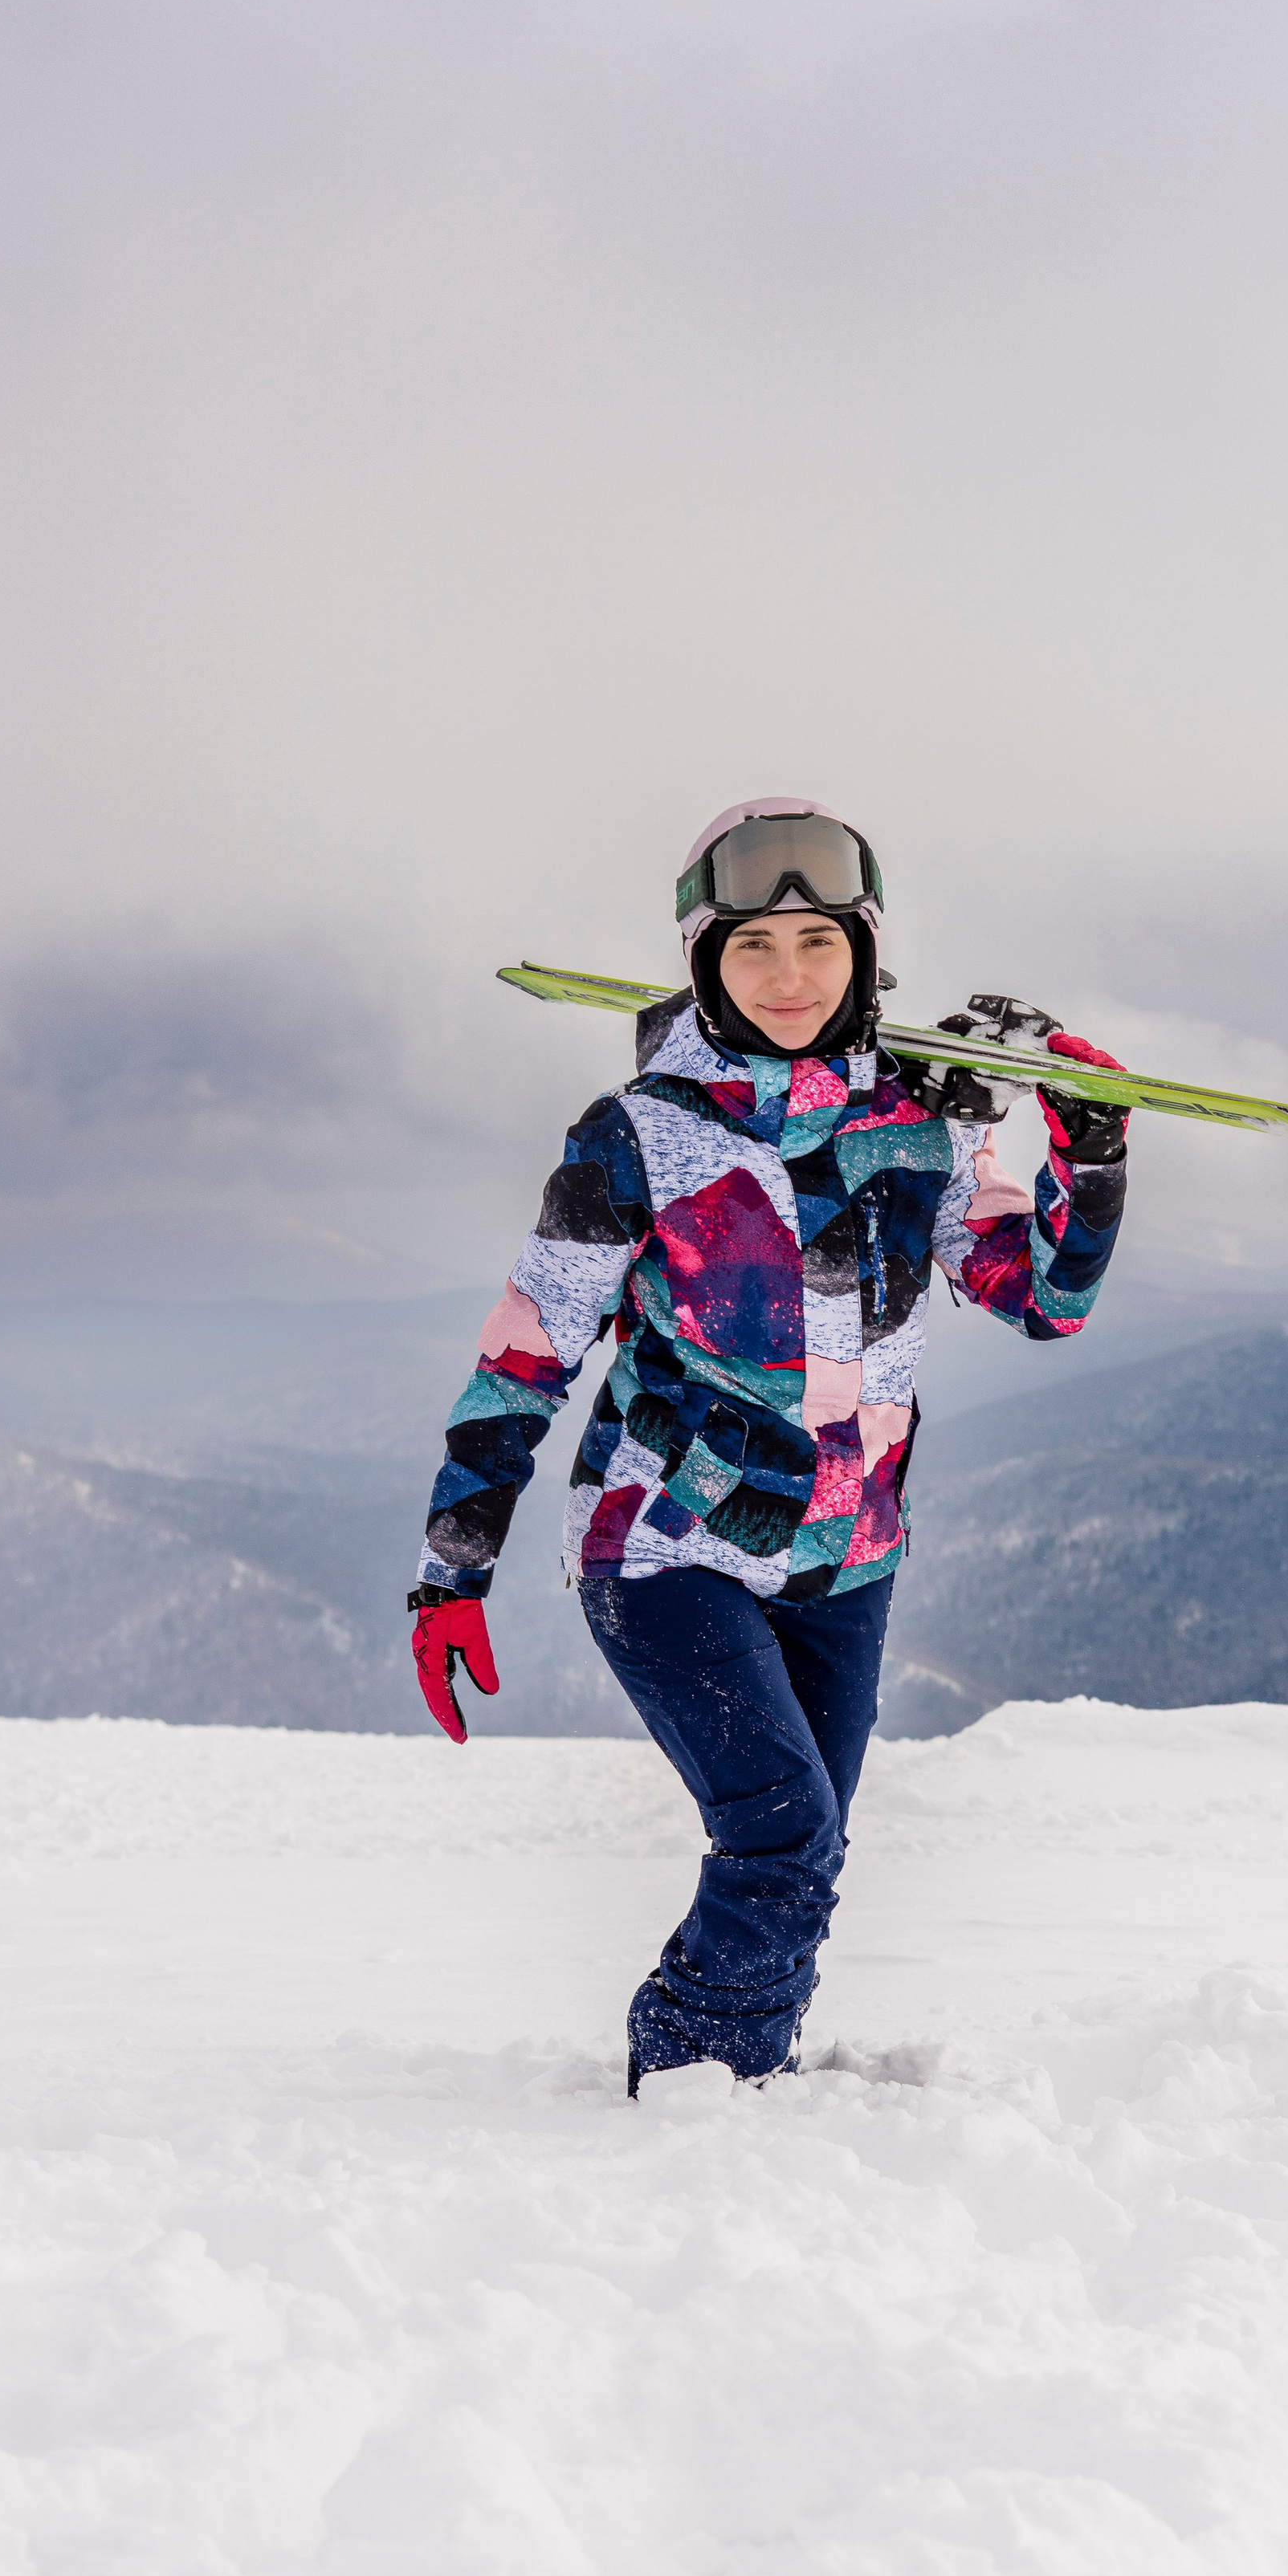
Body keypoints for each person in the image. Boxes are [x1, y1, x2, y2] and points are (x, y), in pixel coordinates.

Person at [408, 797, 1130, 2091]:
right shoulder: (637, 1136)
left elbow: (1042, 1296)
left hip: (848, 1553)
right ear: (704, 959)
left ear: (863, 953)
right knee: (785, 1834)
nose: (788, 976)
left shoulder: (923, 1127)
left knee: (808, 1846)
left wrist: (1094, 1159)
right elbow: (527, 1353)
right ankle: (691, 2093)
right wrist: (451, 1570)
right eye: (752, 946)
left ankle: (751, 2093)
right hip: (662, 1540)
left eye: (817, 942)